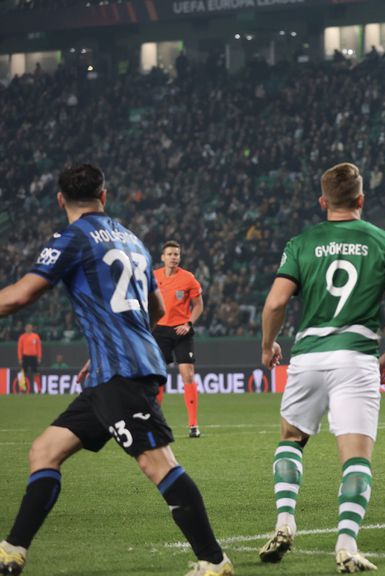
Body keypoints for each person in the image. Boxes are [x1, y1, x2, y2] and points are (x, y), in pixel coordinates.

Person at [0, 164, 232, 576]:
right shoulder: (133, 240)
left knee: (157, 463)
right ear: (104, 196)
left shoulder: (72, 238)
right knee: (45, 451)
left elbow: (19, 296)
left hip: (123, 372)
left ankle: (215, 562)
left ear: (60, 201)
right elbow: (158, 309)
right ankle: (13, 550)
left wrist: (113, 341)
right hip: (110, 371)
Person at [258, 162, 385, 573]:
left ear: (323, 202)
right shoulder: (384, 242)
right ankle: (346, 544)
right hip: (356, 357)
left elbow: (275, 303)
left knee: (291, 439)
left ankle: (285, 521)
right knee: (355, 458)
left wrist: (268, 344)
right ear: (361, 200)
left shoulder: (302, 242)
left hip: (308, 356)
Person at [152, 240, 204, 437]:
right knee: (157, 377)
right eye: (170, 254)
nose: (174, 257)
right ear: (163, 257)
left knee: (187, 374)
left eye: (176, 254)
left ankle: (193, 425)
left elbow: (199, 305)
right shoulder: (154, 277)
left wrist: (189, 323)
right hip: (159, 331)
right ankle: (156, 423)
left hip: (182, 331)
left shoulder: (188, 278)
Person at [16, 323, 41, 393]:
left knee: (36, 373)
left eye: (30, 327)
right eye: (28, 327)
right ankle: (22, 388)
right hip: (25, 356)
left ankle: (39, 389)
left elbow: (39, 348)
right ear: (25, 328)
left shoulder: (36, 336)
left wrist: (39, 357)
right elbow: (19, 349)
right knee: (23, 373)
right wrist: (20, 358)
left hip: (33, 356)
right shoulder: (22, 337)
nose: (29, 328)